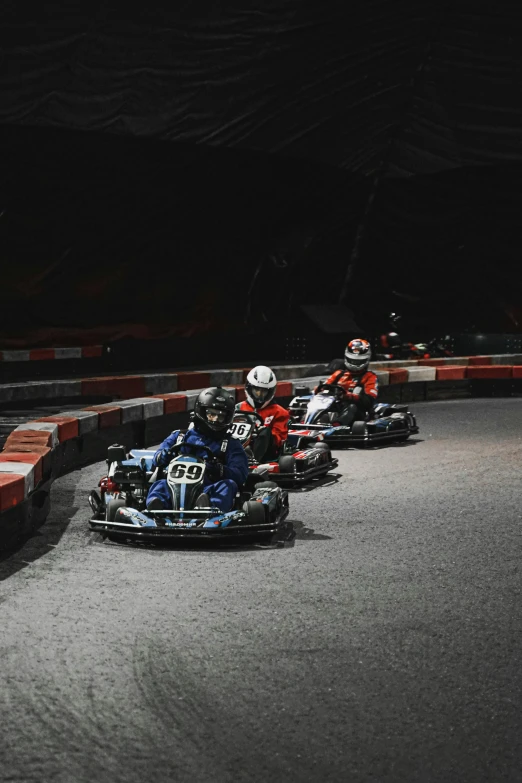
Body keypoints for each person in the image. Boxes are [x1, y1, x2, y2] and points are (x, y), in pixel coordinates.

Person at [146, 387, 249, 513]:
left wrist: (220, 470)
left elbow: (241, 474)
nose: (216, 420)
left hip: (207, 488)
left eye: (221, 416)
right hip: (174, 488)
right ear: (201, 412)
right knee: (160, 484)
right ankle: (157, 507)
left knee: (228, 485)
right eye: (211, 414)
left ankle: (209, 507)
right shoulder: (180, 436)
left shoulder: (230, 443)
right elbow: (156, 458)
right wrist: (164, 456)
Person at [321, 338, 378, 427]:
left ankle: (337, 427)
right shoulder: (339, 374)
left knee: (352, 406)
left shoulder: (370, 377)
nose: (354, 364)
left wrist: (350, 396)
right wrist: (318, 390)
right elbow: (325, 387)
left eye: (358, 361)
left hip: (359, 412)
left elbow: (369, 401)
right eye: (352, 361)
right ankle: (304, 421)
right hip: (336, 407)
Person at [238, 365, 290, 462]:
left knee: (265, 432)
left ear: (270, 392)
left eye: (263, 391)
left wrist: (260, 431)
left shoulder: (280, 412)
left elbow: (279, 440)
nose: (259, 394)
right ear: (249, 388)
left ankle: (253, 460)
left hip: (266, 453)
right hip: (238, 446)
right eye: (256, 390)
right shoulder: (238, 408)